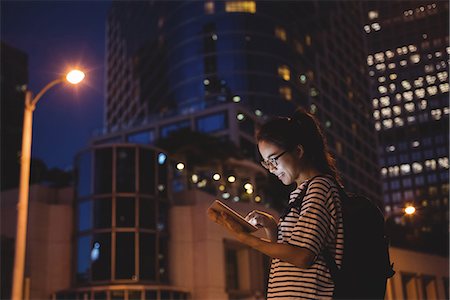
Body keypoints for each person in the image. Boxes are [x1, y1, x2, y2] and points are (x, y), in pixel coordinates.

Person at [208, 108, 344, 299]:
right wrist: (272, 227)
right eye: (266, 163)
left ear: (298, 151)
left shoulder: (319, 188)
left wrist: (245, 238)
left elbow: (302, 256)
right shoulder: (301, 193)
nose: (271, 169)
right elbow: (286, 258)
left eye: (273, 160)